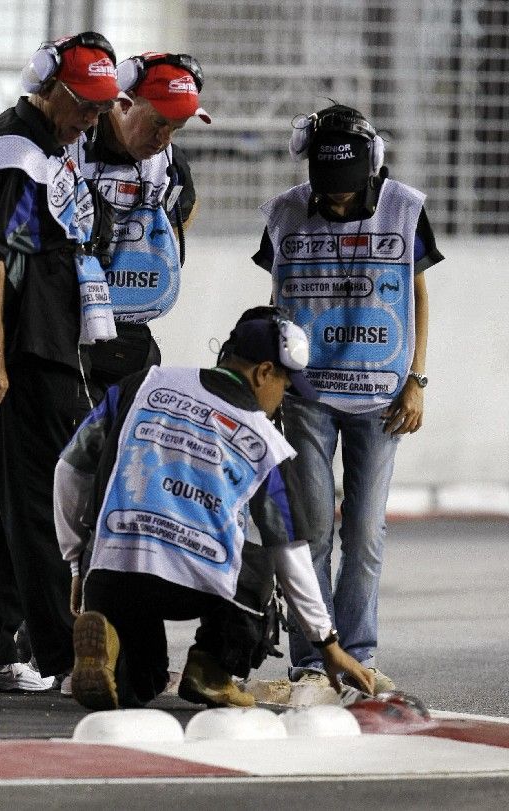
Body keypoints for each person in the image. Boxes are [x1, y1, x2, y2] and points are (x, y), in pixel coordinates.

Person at [53, 307, 376, 710]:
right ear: (263, 373)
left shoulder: (141, 385)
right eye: (286, 384)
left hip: (115, 569)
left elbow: (70, 468)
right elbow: (290, 553)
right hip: (201, 580)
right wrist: (327, 643)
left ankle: (112, 643)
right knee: (263, 552)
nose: (282, 400)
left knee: (141, 681)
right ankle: (214, 667)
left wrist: (77, 562)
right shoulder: (266, 443)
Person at [0, 32, 125, 692]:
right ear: (46, 87)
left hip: (31, 339)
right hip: (18, 346)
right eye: (85, 105)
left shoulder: (42, 147)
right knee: (45, 495)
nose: (95, 119)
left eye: (104, 108)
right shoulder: (14, 155)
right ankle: (64, 655)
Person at [253, 103, 444, 705]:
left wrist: (417, 378)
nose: (335, 204)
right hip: (308, 397)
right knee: (311, 528)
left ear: (373, 167)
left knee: (364, 530)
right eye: (325, 193)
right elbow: (277, 292)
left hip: (382, 396)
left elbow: (417, 294)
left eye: (346, 193)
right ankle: (312, 659)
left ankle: (356, 655)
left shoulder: (406, 208)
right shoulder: (284, 212)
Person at [67, 50, 210, 402]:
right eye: (158, 122)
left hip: (125, 325)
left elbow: (183, 214)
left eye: (176, 128)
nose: (165, 138)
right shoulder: (69, 141)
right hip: (60, 324)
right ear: (125, 102)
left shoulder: (170, 162)